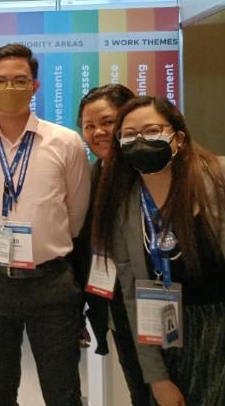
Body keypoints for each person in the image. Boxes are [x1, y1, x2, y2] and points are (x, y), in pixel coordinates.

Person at [92, 95, 225, 406]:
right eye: (129, 135)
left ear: (178, 138)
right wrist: (157, 377)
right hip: (172, 344)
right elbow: (132, 296)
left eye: (152, 131)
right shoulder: (125, 205)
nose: (140, 142)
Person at [0, 43, 90, 406]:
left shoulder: (66, 142)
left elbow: (76, 216)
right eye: (0, 80)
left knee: (62, 391)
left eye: (20, 80)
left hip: (51, 282)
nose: (10, 88)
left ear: (35, 86)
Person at [73, 84, 150, 406]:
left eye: (108, 122)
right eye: (89, 126)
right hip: (119, 310)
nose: (98, 132)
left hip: (168, 306)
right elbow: (82, 251)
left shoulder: (153, 174)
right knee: (141, 392)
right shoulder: (90, 179)